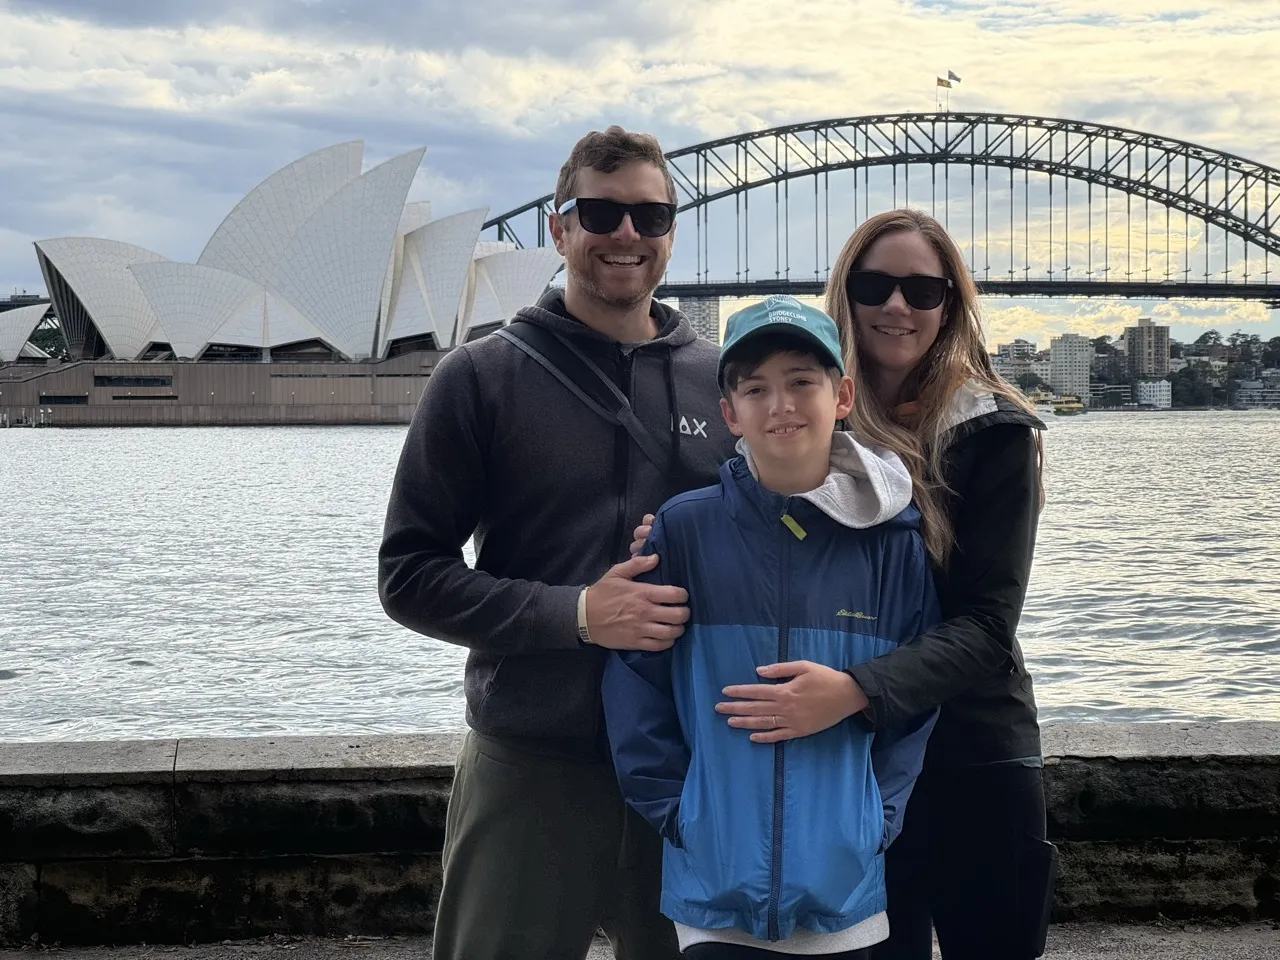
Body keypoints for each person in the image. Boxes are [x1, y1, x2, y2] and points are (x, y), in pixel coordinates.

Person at [632, 209, 1053, 959]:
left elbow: (989, 625)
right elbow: (730, 521)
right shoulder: (803, 419)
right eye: (874, 285)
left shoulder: (994, 430)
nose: (897, 305)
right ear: (845, 295)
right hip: (836, 776)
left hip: (967, 750)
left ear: (951, 304)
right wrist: (664, 548)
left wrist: (855, 690)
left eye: (924, 290)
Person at [377, 126, 737, 960]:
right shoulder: (479, 376)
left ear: (672, 230)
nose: (627, 235)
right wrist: (577, 614)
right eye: (602, 211)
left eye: (651, 216)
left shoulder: (724, 382)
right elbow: (408, 574)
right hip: (533, 757)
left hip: (690, 766)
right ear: (559, 226)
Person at [604, 295, 941, 959]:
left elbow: (916, 695)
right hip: (712, 889)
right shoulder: (684, 530)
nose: (780, 405)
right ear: (729, 413)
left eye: (801, 382)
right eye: (755, 388)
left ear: (842, 395)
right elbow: (636, 679)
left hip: (845, 889)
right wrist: (679, 813)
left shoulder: (893, 542)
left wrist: (877, 817)